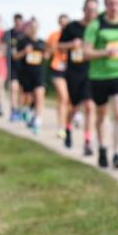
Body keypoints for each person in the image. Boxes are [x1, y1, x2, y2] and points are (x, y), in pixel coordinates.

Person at [84, 0, 118, 169]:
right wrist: (105, 52)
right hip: (99, 76)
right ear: (105, 5)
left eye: (117, 4)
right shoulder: (96, 26)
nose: (114, 7)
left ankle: (117, 153)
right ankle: (103, 148)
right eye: (111, 4)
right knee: (102, 115)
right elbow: (86, 53)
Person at [60, 0, 99, 155]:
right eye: (89, 9)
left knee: (90, 106)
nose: (91, 12)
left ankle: (88, 141)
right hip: (74, 73)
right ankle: (68, 129)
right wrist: (71, 44)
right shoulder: (72, 27)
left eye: (95, 9)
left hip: (93, 72)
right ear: (83, 10)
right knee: (74, 107)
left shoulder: (98, 29)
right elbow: (59, 46)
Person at [13, 19, 47, 135]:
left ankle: (37, 122)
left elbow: (46, 56)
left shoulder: (42, 43)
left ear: (39, 27)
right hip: (26, 74)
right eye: (31, 26)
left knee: (39, 95)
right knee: (28, 98)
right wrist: (24, 52)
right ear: (28, 28)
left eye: (36, 26)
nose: (34, 28)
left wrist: (47, 54)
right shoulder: (22, 41)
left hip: (39, 74)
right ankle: (26, 110)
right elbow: (15, 56)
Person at [47, 14, 71, 142]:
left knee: (69, 99)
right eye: (61, 22)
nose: (64, 25)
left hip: (71, 69)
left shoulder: (74, 35)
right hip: (57, 68)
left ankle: (70, 121)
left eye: (66, 23)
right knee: (63, 96)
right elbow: (47, 52)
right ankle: (61, 127)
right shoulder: (54, 36)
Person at [4, 13, 26, 122]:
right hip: (12, 65)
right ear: (14, 21)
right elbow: (4, 48)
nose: (18, 23)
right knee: (14, 88)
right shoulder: (9, 33)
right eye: (16, 20)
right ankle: (13, 110)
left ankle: (20, 110)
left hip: (24, 67)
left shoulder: (25, 33)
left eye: (20, 21)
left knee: (22, 90)